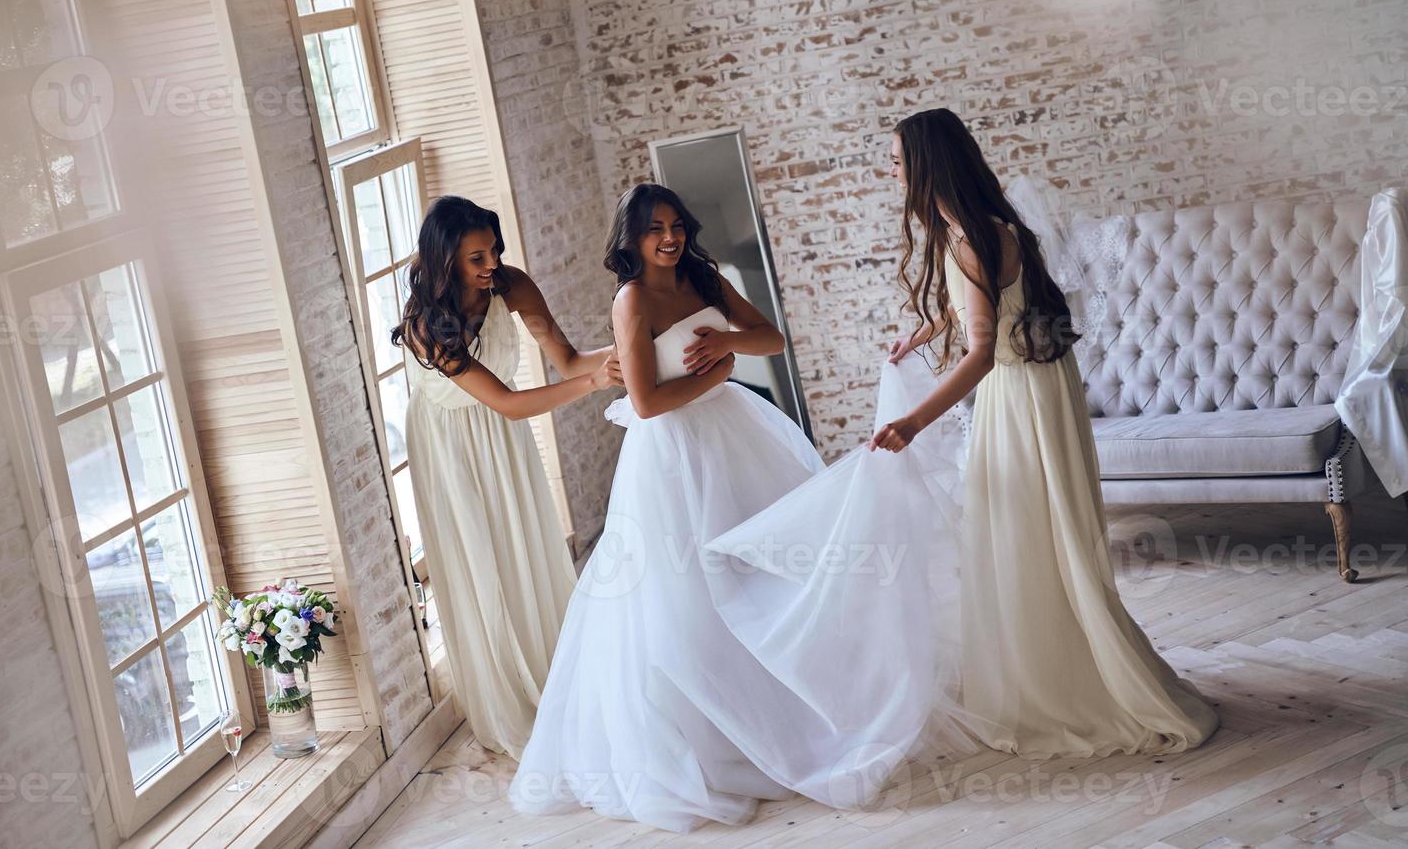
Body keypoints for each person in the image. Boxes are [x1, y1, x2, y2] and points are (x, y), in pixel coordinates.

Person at [510, 183, 970, 832]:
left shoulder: (701, 274)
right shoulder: (632, 299)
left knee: (766, 571)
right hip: (671, 456)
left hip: (733, 436)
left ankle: (788, 705)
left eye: (676, 225)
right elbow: (645, 404)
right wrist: (715, 374)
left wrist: (729, 348)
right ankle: (707, 739)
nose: (669, 238)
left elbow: (771, 338)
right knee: (683, 593)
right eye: (655, 230)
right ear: (632, 240)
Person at [873, 108, 1219, 757]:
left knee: (1029, 539)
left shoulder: (971, 239)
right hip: (1042, 386)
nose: (890, 171)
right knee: (1039, 540)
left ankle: (1064, 685)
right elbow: (978, 309)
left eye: (896, 159)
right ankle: (1063, 664)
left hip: (1017, 396)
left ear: (923, 166)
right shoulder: (986, 225)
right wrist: (921, 333)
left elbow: (981, 351)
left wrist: (914, 422)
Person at [393, 195, 621, 759]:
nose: (491, 264)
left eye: (493, 250)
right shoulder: (426, 326)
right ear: (445, 260)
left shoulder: (512, 286)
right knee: (484, 561)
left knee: (528, 551)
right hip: (452, 447)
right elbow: (511, 402)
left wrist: (635, 347)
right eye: (476, 258)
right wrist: (597, 386)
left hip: (503, 441)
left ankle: (557, 672)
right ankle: (512, 695)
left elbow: (566, 360)